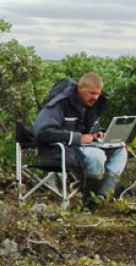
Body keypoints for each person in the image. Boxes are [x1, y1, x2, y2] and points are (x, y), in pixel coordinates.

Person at [33, 72, 127, 209]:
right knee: (97, 157)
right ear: (80, 89)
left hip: (83, 147)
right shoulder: (60, 104)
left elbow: (87, 130)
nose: (95, 98)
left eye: (98, 94)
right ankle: (89, 197)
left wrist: (96, 134)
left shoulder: (91, 105)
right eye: (92, 93)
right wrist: (78, 137)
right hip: (60, 150)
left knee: (120, 150)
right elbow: (42, 132)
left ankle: (100, 196)